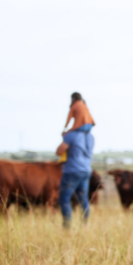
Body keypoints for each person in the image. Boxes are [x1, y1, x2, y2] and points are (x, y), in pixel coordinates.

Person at [56, 97, 95, 228]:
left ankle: (67, 227)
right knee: (83, 199)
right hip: (86, 171)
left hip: (72, 171)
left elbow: (59, 151)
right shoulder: (90, 136)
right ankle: (85, 225)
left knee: (64, 198)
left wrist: (65, 137)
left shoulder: (71, 135)